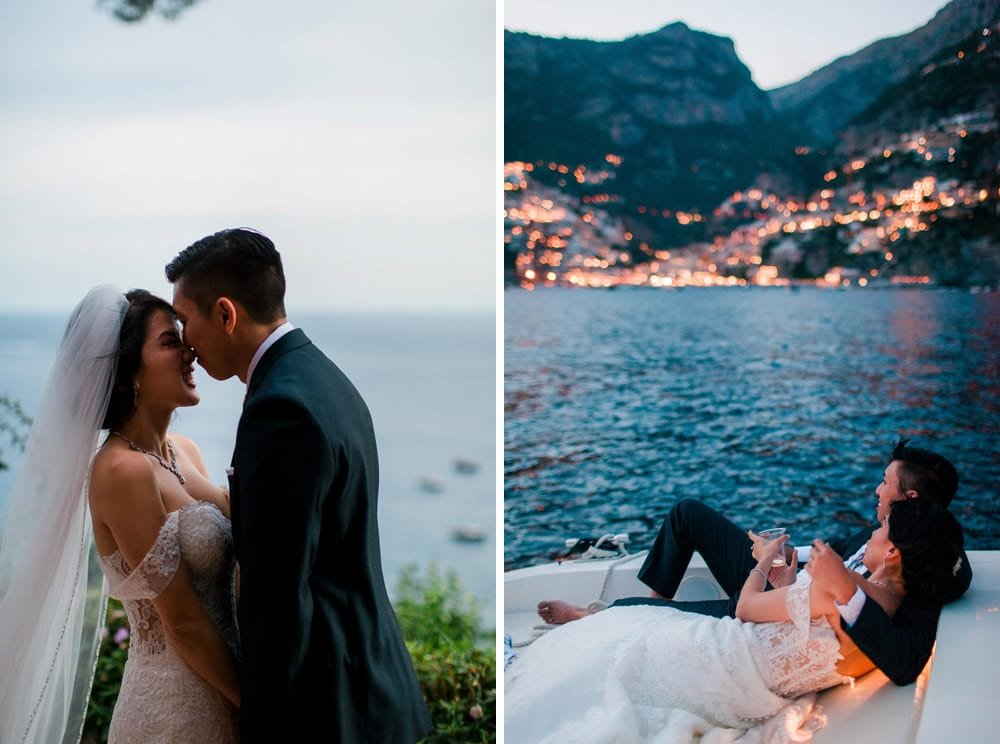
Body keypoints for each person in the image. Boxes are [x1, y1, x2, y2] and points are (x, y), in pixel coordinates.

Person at [166, 227, 432, 743]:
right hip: (365, 684)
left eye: (185, 320)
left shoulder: (280, 409)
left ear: (225, 314)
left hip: (325, 707)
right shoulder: (321, 377)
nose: (186, 345)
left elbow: (278, 596)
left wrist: (264, 724)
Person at [508, 498, 965, 743]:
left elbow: (747, 608)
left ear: (893, 551)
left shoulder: (844, 586)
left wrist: (764, 563)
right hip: (757, 677)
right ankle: (609, 616)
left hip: (737, 649)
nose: (873, 528)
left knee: (627, 629)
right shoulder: (886, 606)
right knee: (630, 628)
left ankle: (601, 616)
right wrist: (794, 581)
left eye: (882, 530)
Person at [0, 286, 240, 744]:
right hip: (178, 712)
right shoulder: (120, 470)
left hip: (222, 685)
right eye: (170, 342)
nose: (190, 351)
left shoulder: (182, 451)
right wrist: (266, 709)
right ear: (128, 371)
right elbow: (184, 624)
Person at [538, 439, 972, 685]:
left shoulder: (932, 559)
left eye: (884, 482)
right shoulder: (883, 531)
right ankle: (658, 599)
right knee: (687, 513)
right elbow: (839, 550)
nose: (877, 490)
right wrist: (783, 555)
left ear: (909, 499)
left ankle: (618, 613)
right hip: (788, 586)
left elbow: (905, 660)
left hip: (775, 619)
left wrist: (829, 586)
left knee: (634, 615)